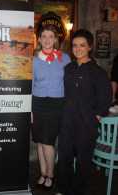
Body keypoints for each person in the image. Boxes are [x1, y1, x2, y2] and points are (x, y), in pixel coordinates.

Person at [56, 29, 112, 195]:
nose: (77, 48)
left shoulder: (98, 72)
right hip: (67, 122)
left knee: (83, 162)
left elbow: (106, 96)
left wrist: (98, 115)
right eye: (74, 45)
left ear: (90, 47)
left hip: (86, 125)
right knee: (64, 159)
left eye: (82, 45)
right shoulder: (68, 68)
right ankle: (64, 190)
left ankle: (79, 191)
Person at [32, 25, 70, 189]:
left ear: (55, 39)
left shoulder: (64, 58)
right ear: (39, 39)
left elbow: (69, 83)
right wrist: (31, 110)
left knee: (48, 141)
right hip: (38, 102)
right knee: (40, 141)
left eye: (51, 36)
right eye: (44, 36)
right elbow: (31, 85)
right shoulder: (33, 60)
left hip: (56, 104)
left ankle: (51, 175)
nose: (47, 40)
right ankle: (43, 173)